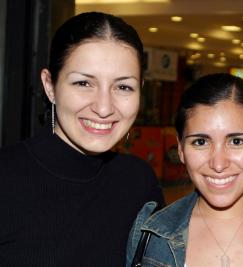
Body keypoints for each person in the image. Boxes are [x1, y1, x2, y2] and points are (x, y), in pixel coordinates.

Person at [0, 12, 165, 267]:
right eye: (83, 83)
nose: (103, 107)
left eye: (123, 87)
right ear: (50, 86)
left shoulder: (138, 182)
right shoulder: (6, 178)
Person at [126, 73, 243, 267]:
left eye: (236, 141)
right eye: (200, 142)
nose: (218, 165)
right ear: (181, 149)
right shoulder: (151, 235)